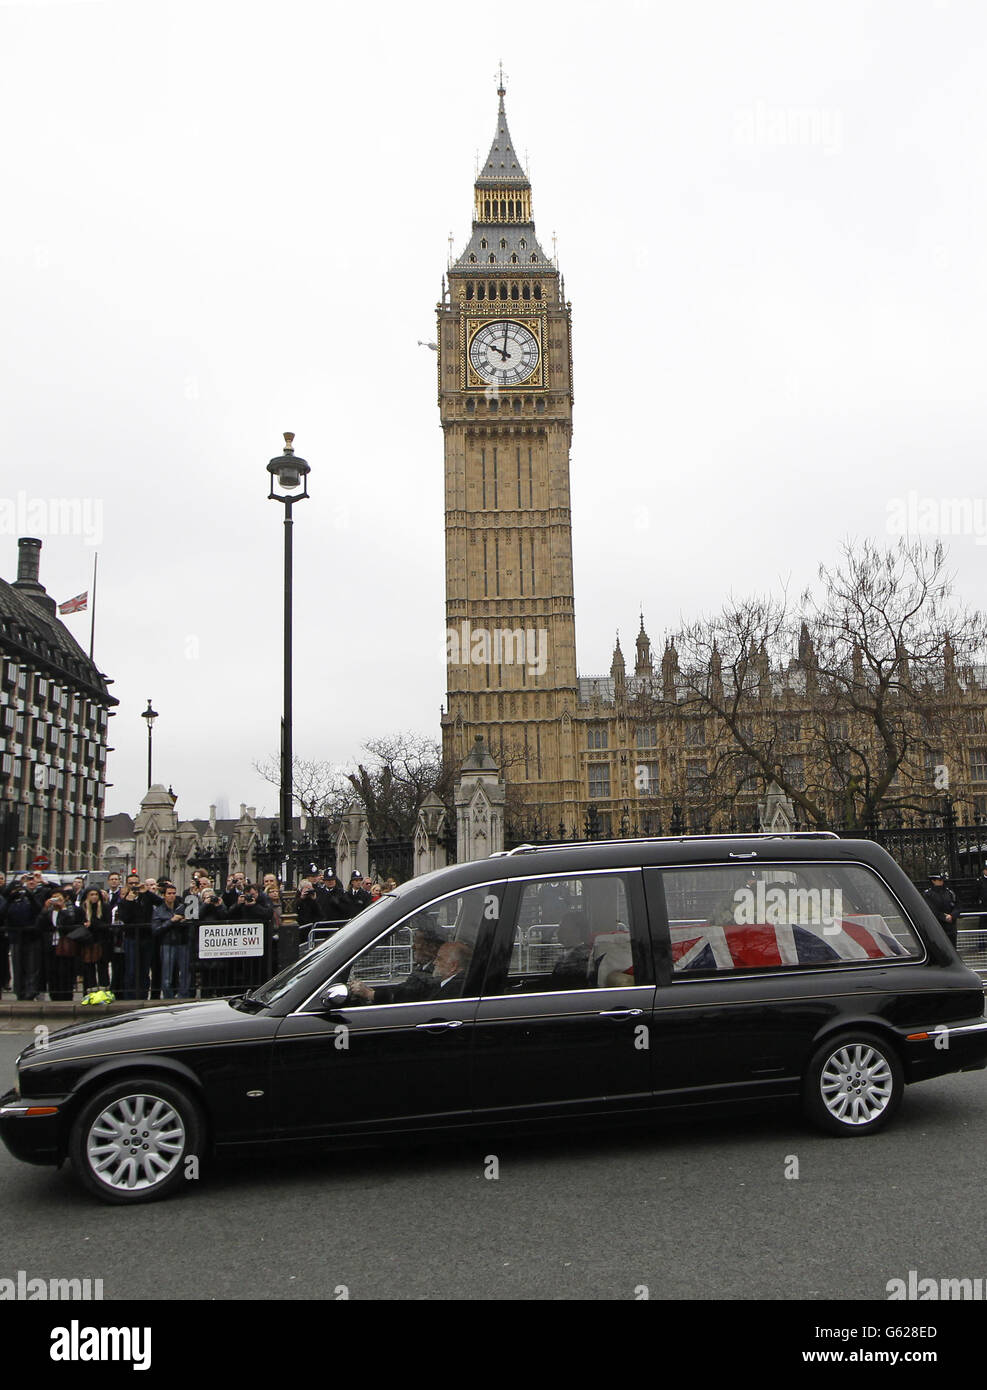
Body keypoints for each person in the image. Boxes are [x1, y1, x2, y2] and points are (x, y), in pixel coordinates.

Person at [349, 924, 445, 1004]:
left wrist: (370, 994)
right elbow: (403, 988)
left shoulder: (434, 971)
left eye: (417, 943)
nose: (412, 947)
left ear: (431, 947)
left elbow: (409, 993)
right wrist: (370, 991)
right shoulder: (423, 967)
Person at [153, 884, 192, 999]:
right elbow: (156, 929)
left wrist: (185, 921)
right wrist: (171, 921)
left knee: (185, 972)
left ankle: (183, 995)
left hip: (182, 942)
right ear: (164, 895)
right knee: (167, 974)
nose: (172, 896)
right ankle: (168, 997)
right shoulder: (159, 910)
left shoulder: (181, 907)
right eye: (169, 893)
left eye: (174, 893)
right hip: (167, 943)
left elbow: (191, 924)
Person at [39, 890, 79, 1001]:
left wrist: (63, 908)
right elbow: (40, 924)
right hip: (51, 945)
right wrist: (45, 909)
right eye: (54, 897)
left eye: (58, 897)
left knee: (65, 971)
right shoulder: (49, 912)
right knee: (52, 972)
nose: (56, 899)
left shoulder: (68, 910)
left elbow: (71, 922)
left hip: (64, 945)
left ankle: (66, 995)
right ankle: (54, 995)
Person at [78, 888, 112, 992]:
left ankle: (104, 991)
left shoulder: (105, 907)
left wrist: (92, 923)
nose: (94, 897)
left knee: (103, 968)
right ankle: (89, 992)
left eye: (96, 894)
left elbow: (107, 924)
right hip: (87, 942)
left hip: (102, 941)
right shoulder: (82, 908)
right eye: (91, 894)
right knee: (88, 968)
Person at [925, 871, 959, 949]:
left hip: (951, 927)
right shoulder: (928, 894)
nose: (941, 882)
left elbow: (957, 906)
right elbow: (931, 909)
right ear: (933, 881)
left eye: (942, 880)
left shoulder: (950, 893)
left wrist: (952, 915)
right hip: (937, 926)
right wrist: (943, 917)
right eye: (939, 880)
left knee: (952, 949)